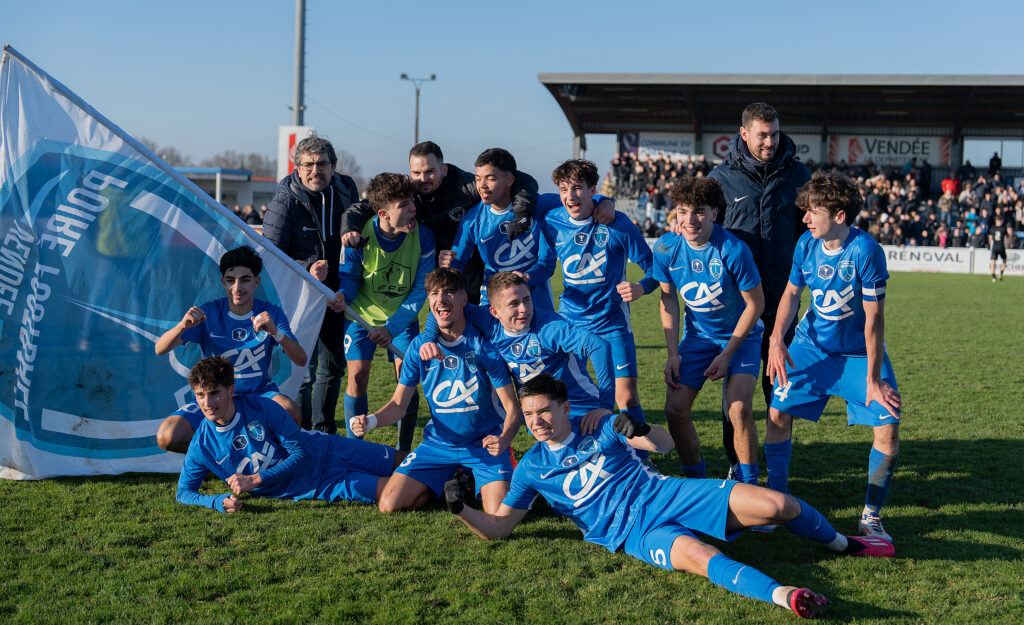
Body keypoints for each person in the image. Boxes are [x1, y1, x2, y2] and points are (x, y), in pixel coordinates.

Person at [443, 374, 894, 620]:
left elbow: (662, 445)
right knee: (698, 556)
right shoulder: (531, 469)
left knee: (779, 506)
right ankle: (787, 596)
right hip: (633, 533)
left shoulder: (597, 424)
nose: (537, 421)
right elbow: (500, 527)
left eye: (544, 411)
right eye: (528, 415)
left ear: (564, 408)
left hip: (666, 494)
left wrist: (633, 427)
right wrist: (460, 508)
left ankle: (843, 543)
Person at [765, 171, 901, 542]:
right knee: (776, 413)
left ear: (839, 216)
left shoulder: (865, 250)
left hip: (858, 355)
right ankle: (776, 502)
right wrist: (777, 339)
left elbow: (874, 321)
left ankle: (871, 517)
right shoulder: (805, 245)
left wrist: (873, 380)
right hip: (812, 348)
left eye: (813, 212)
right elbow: (792, 295)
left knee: (888, 424)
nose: (805, 219)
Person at [349, 268, 522, 514]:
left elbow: (512, 408)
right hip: (438, 446)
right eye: (434, 293)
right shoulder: (419, 348)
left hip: (483, 445)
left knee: (497, 513)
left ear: (464, 299)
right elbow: (399, 405)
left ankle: (484, 469)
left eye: (449, 292)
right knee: (389, 505)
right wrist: (371, 421)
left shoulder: (484, 348)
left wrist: (503, 440)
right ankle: (449, 480)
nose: (441, 299)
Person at [707, 102, 812, 479]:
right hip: (738, 305)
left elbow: (811, 231)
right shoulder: (720, 179)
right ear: (745, 133)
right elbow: (697, 223)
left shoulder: (799, 175)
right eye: (762, 134)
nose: (770, 141)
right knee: (736, 394)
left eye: (775, 133)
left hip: (783, 299)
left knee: (778, 387)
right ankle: (736, 463)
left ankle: (776, 465)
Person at [175, 357, 399, 513]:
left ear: (231, 391)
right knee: (398, 491)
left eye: (214, 393)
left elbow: (303, 454)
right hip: (318, 485)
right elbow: (184, 492)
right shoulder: (201, 444)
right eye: (200, 395)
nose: (207, 403)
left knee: (405, 461)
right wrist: (216, 501)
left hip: (329, 449)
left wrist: (255, 480)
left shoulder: (262, 408)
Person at [653, 177, 764, 483]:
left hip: (741, 338)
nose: (689, 220)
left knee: (738, 408)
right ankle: (696, 481)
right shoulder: (665, 248)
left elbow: (756, 305)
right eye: (682, 211)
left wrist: (728, 353)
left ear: (715, 213)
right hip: (698, 339)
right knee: (674, 410)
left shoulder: (733, 250)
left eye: (699, 211)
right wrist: (672, 354)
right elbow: (668, 299)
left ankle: (748, 484)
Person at [340, 141, 541, 305]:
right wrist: (350, 227)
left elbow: (521, 181)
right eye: (416, 173)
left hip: (470, 262)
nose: (422, 179)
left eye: (429, 172)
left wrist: (522, 212)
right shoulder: (411, 192)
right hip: (434, 262)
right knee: (445, 317)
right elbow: (367, 205)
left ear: (444, 169)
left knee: (474, 315)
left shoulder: (466, 185)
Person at [154, 246, 307, 453]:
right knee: (168, 435)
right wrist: (182, 326)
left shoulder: (271, 313)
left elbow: (300, 359)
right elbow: (160, 349)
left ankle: (269, 460)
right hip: (215, 396)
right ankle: (220, 460)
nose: (237, 287)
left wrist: (275, 332)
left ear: (256, 282)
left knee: (290, 412)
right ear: (223, 282)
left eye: (244, 279)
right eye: (230, 280)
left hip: (258, 394)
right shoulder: (208, 313)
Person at [419, 271, 615, 432]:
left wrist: (605, 406)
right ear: (495, 312)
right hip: (541, 418)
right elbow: (444, 309)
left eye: (527, 300)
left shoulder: (549, 328)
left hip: (582, 411)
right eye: (514, 304)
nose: (524, 309)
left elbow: (599, 345)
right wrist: (428, 339)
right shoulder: (489, 323)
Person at [541, 158, 657, 431]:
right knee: (566, 394)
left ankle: (640, 459)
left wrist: (642, 287)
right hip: (571, 324)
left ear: (593, 189)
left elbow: (653, 267)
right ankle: (576, 451)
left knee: (625, 396)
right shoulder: (552, 220)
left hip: (611, 323)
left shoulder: (617, 224)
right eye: (563, 189)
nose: (570, 196)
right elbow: (545, 264)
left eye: (578, 188)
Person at [263, 134, 359, 434]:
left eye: (322, 164)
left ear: (333, 166)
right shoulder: (284, 200)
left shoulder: (346, 189)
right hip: (300, 294)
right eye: (309, 165)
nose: (315, 171)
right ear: (297, 167)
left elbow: (358, 222)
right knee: (302, 369)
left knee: (333, 367)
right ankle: (299, 434)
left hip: (337, 294)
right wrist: (306, 269)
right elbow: (270, 254)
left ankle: (324, 432)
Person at [334, 173, 434, 451]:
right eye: (404, 204)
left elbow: (419, 291)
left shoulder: (424, 237)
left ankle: (403, 452)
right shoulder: (359, 234)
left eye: (412, 201)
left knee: (408, 380)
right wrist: (343, 295)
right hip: (361, 318)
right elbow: (351, 278)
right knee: (357, 377)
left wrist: (392, 327)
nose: (414, 208)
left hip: (401, 321)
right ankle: (356, 450)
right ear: (383, 213)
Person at [439, 148, 556, 310]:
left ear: (509, 180)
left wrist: (603, 203)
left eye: (490, 178)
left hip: (536, 302)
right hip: (494, 304)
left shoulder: (538, 205)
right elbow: (457, 262)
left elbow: (587, 201)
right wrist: (448, 263)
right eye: (478, 179)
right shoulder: (472, 219)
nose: (482, 186)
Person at [989, 216, 1008, 281]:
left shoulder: (992, 228)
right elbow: (1007, 236)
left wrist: (989, 245)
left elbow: (990, 238)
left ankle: (993, 276)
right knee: (1004, 261)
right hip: (1001, 246)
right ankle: (1001, 273)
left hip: (994, 246)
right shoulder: (1003, 228)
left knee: (993, 261)